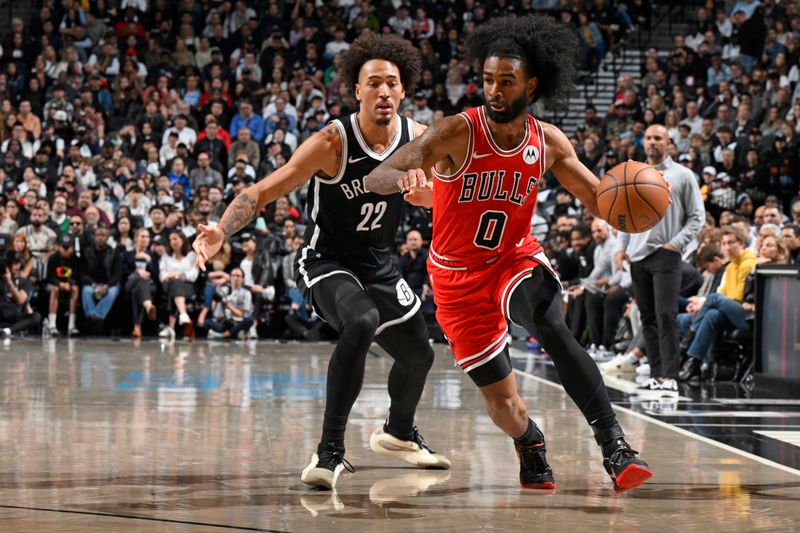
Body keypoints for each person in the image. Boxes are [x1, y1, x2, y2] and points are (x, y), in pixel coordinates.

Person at [365, 15, 651, 493]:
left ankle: (615, 445)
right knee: (505, 406)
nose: (494, 90)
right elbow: (377, 177)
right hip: (455, 279)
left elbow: (601, 198)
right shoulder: (456, 131)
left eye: (506, 81)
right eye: (487, 80)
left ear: (531, 84)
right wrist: (404, 177)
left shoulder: (549, 141)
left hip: (513, 260)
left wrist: (635, 208)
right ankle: (530, 441)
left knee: (548, 321)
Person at [193, 34, 450, 491]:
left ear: (404, 90)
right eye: (374, 83)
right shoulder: (333, 142)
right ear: (357, 90)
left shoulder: (418, 139)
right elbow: (265, 190)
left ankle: (397, 432)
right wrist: (221, 230)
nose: (384, 91)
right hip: (325, 261)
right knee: (362, 320)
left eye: (393, 83)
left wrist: (426, 196)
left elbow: (437, 196)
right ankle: (329, 450)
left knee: (420, 355)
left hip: (379, 266)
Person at [613, 124, 705, 398]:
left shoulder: (683, 175)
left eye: (658, 138)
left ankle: (671, 378)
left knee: (666, 315)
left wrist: (674, 244)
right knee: (648, 318)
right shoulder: (636, 174)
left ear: (669, 144)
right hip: (638, 257)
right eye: (649, 138)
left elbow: (697, 217)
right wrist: (621, 248)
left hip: (666, 255)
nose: (652, 142)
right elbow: (623, 214)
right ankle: (656, 375)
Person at [158, 230, 198, 340]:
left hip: (187, 285)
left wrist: (181, 275)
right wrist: (171, 275)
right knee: (174, 284)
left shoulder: (191, 255)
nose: (172, 242)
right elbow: (162, 274)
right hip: (168, 283)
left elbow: (194, 274)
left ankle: (171, 328)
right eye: (170, 239)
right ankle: (183, 314)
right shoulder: (166, 255)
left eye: (175, 238)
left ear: (183, 240)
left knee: (175, 288)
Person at [123, 228, 158, 337]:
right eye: (142, 236)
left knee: (137, 291)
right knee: (139, 278)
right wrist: (137, 271)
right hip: (130, 282)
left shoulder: (152, 255)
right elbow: (124, 272)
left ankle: (137, 327)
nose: (145, 239)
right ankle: (148, 306)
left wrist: (149, 260)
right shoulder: (128, 254)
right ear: (136, 238)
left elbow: (156, 275)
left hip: (149, 285)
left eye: (147, 237)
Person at [44, 233, 81, 336]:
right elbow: (49, 276)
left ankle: (71, 325)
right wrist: (59, 283)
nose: (65, 250)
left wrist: (69, 283)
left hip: (69, 285)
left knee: (75, 289)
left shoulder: (75, 260)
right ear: (58, 247)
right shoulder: (53, 259)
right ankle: (52, 325)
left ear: (72, 248)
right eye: (63, 247)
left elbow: (77, 276)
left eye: (68, 247)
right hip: (53, 284)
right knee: (55, 289)